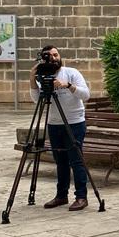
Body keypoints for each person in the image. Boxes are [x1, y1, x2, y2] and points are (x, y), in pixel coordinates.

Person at [28, 44, 90, 211]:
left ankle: (81, 197)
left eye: (56, 55)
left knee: (76, 160)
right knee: (60, 161)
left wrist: (67, 85)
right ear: (43, 58)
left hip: (74, 122)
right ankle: (61, 196)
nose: (53, 58)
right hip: (54, 123)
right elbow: (36, 99)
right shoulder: (42, 75)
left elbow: (86, 95)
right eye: (49, 56)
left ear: (60, 56)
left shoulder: (71, 73)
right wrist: (32, 78)